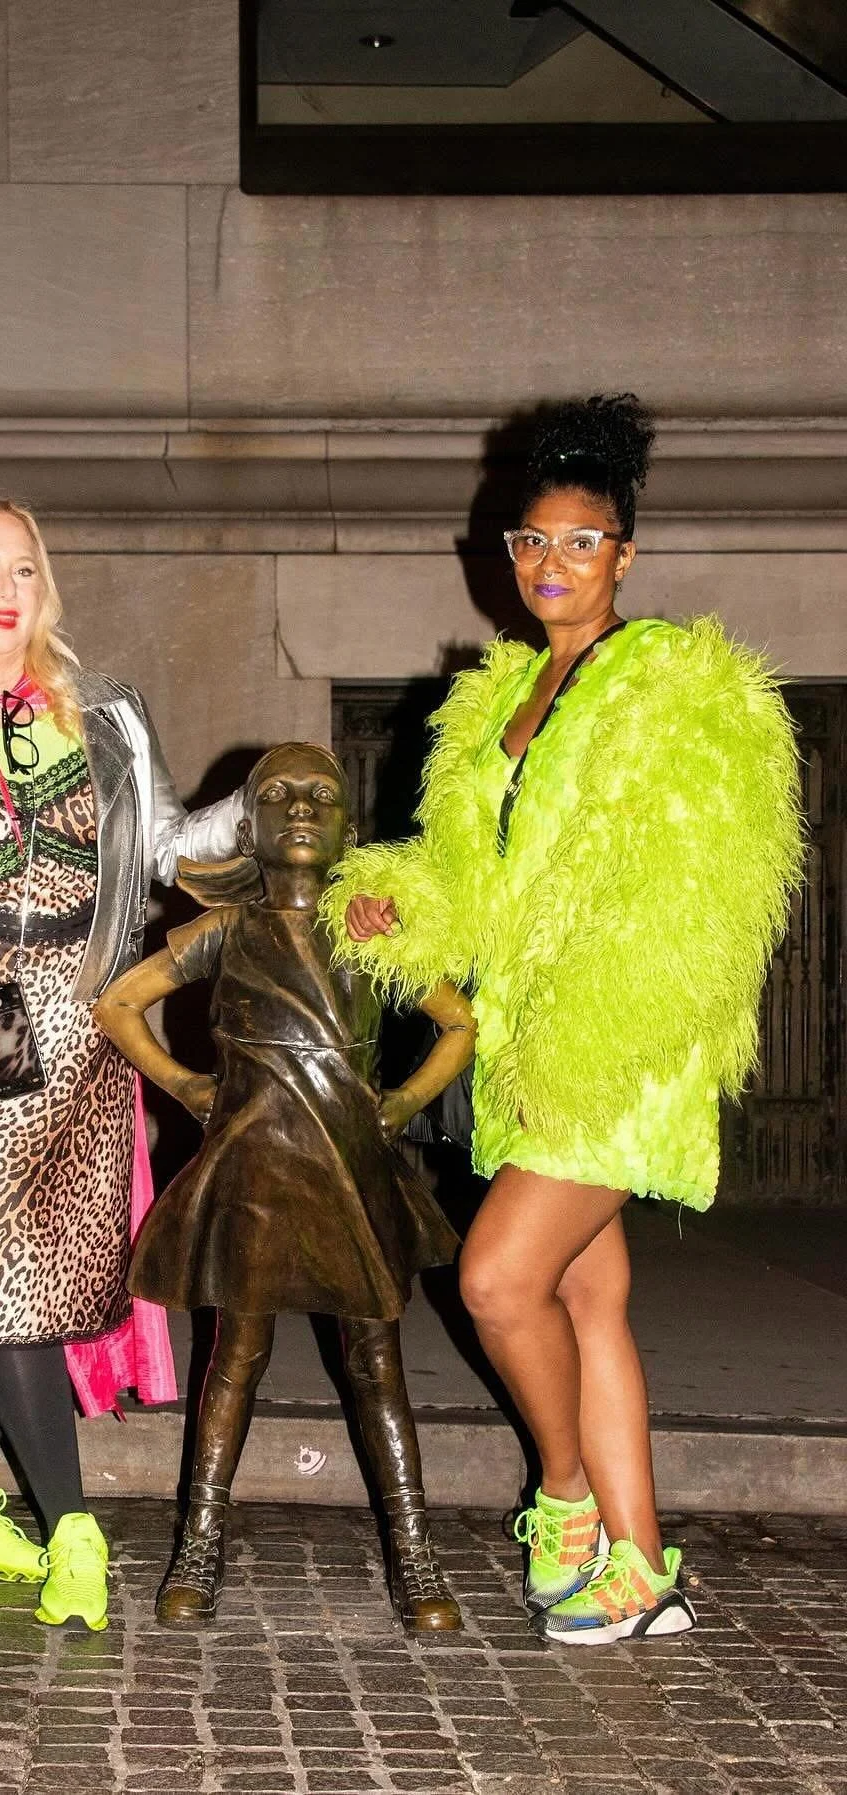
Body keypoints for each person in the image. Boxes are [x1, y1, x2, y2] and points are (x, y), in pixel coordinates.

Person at [321, 395, 803, 1644]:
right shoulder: (498, 701)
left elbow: (717, 878)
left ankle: (569, 1497)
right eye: (530, 542)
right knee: (588, 1301)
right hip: (527, 1045)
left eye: (578, 543)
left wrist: (618, 1016)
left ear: (624, 556)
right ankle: (649, 1570)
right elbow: (465, 879)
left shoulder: (676, 681)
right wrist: (395, 907)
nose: (548, 565)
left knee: (494, 1281)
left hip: (620, 1045)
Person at [0, 494, 241, 1632]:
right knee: (9, 1289)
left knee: (2, 1287)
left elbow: (167, 845)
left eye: (23, 566)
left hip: (74, 1027)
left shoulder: (103, 717)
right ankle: (75, 1529)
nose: (9, 589)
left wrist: (259, 811)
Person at [95, 744, 476, 1632]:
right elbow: (118, 1003)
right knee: (236, 1356)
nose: (301, 807)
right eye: (278, 795)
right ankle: (200, 1538)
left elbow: (458, 1022)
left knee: (377, 1365)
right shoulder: (224, 931)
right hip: (254, 1172)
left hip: (353, 1170)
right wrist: (187, 1084)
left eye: (321, 796)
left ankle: (414, 1551)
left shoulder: (372, 930)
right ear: (249, 825)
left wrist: (403, 1102)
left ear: (348, 828)